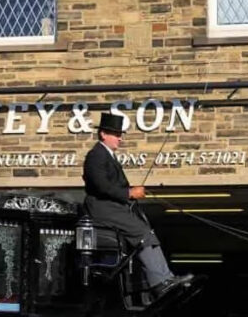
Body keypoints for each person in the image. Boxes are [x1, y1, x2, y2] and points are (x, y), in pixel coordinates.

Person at [81, 112, 192, 298]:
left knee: (147, 232)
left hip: (115, 207)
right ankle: (159, 283)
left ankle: (165, 277)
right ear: (103, 134)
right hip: (103, 209)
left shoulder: (107, 156)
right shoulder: (96, 155)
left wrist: (131, 192)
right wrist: (129, 193)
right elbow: (101, 185)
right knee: (141, 233)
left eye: (120, 134)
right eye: (116, 134)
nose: (120, 139)